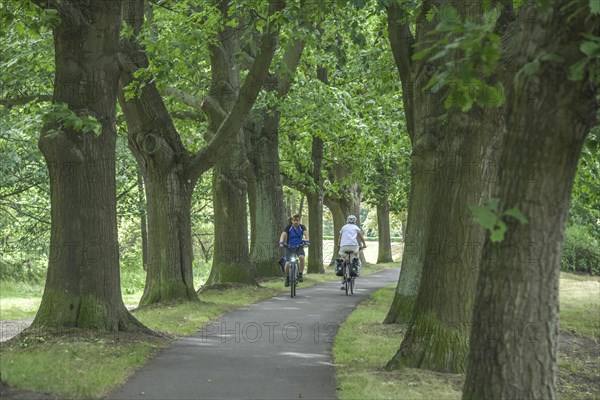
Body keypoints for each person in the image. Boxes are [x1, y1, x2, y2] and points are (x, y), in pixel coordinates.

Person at [278, 214, 309, 287]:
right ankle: (287, 278)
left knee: (302, 257)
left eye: (297, 220)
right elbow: (283, 235)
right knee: (287, 263)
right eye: (294, 220)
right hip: (289, 247)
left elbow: (306, 234)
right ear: (292, 221)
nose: (296, 222)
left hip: (299, 247)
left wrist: (307, 241)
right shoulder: (288, 227)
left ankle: (300, 274)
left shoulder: (302, 227)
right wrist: (281, 242)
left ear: (299, 221)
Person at [338, 214, 367, 290]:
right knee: (356, 257)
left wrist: (339, 244)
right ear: (355, 221)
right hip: (353, 246)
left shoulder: (343, 227)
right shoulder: (356, 227)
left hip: (344, 246)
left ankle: (342, 283)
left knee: (343, 261)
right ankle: (355, 270)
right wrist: (364, 245)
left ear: (347, 220)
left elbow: (340, 237)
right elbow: (361, 237)